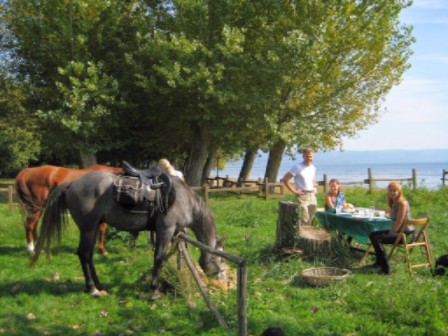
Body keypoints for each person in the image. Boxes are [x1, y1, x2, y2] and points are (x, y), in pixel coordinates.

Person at [368, 181, 413, 275]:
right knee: (372, 234)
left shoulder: (402, 203)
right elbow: (393, 217)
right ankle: (378, 263)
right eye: (390, 191)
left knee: (377, 239)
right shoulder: (395, 202)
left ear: (399, 191)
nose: (392, 193)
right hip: (399, 231)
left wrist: (390, 233)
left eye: (394, 190)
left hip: (405, 234)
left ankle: (385, 268)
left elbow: (399, 222)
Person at [282, 147, 318, 226]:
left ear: (313, 157)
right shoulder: (297, 167)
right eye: (307, 156)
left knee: (312, 217)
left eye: (311, 156)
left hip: (312, 195)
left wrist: (315, 187)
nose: (309, 158)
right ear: (303, 156)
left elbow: (313, 179)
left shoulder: (313, 168)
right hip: (302, 195)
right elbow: (285, 179)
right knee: (304, 218)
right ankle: (300, 236)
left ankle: (307, 234)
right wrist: (294, 191)